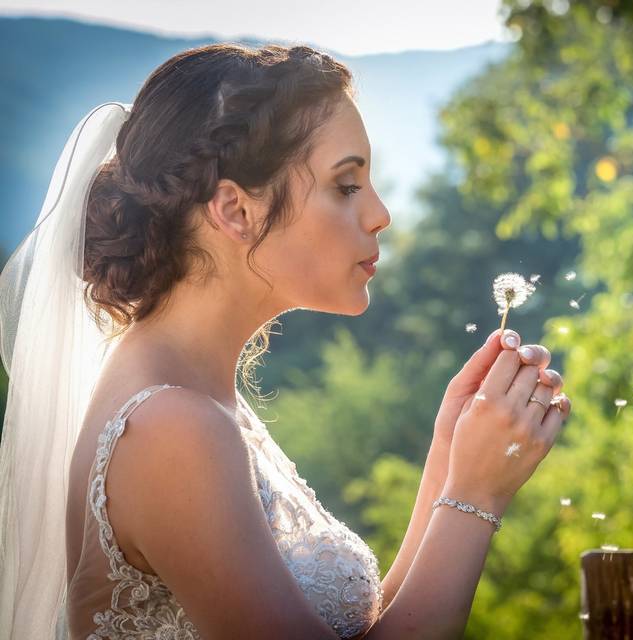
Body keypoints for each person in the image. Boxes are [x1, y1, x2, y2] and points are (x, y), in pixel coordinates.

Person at [0, 42, 572, 639]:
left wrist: (449, 464)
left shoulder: (196, 399)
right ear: (235, 210)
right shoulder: (171, 426)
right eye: (346, 186)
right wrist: (475, 496)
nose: (380, 214)